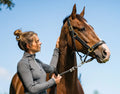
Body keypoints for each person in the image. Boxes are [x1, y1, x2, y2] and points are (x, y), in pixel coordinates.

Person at [14, 29, 62, 94]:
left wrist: (56, 49)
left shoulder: (38, 62)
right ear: (28, 46)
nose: (40, 43)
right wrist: (53, 81)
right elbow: (31, 89)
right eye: (37, 41)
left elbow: (52, 68)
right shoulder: (23, 64)